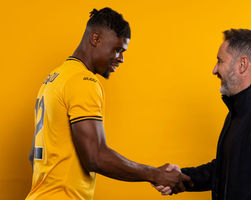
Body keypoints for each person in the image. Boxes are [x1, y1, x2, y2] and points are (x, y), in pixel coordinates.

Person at [26, 7, 192, 200]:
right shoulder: (82, 81)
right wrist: (155, 174)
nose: (121, 58)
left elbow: (33, 155)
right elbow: (95, 157)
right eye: (117, 49)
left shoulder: (55, 78)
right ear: (95, 39)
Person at [154, 29, 251, 199]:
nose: (214, 70)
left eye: (220, 61)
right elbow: (227, 168)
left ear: (242, 65)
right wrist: (180, 178)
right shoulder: (240, 110)